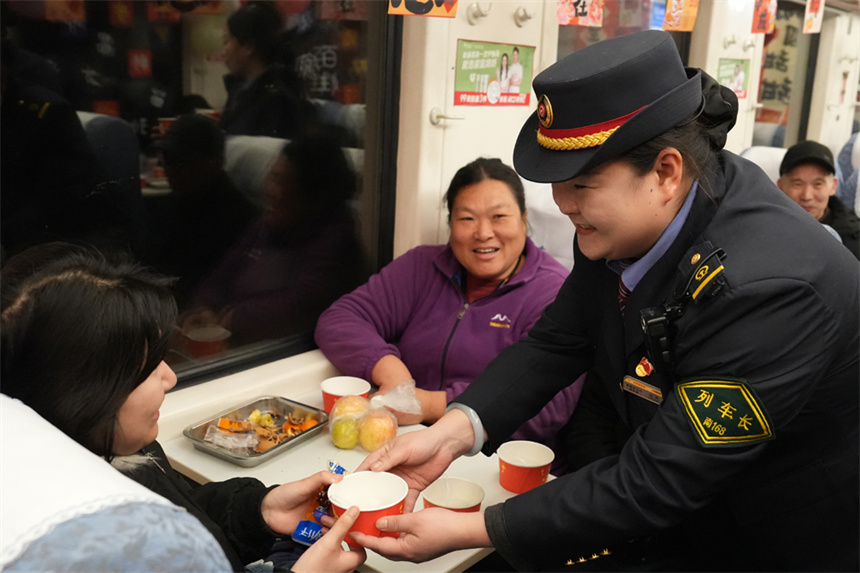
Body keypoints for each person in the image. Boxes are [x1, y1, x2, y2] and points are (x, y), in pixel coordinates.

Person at [348, 30, 859, 572]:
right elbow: (559, 339)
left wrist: (477, 530)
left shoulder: (770, 289)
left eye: (582, 185)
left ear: (665, 172)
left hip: (785, 532)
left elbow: (661, 476)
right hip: (684, 512)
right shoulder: (624, 222)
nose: (562, 205)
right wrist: (453, 433)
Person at [0, 242, 367, 573]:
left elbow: (185, 508)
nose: (170, 378)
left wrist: (261, 510)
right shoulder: (99, 544)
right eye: (147, 371)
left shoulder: (117, 443)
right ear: (85, 394)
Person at [314, 158, 582, 472]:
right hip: (410, 444)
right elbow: (340, 318)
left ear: (523, 220)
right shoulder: (422, 267)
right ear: (450, 224)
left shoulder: (555, 292)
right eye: (467, 218)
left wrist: (426, 405)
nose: (483, 233)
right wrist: (392, 373)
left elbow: (548, 407)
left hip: (497, 464)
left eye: (499, 216)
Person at [182, 132, 368, 346]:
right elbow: (223, 275)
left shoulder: (337, 239)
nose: (269, 190)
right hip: (232, 342)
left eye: (281, 181)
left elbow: (303, 304)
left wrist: (234, 318)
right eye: (272, 177)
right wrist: (204, 308)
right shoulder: (266, 226)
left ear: (315, 199)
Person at [144, 113, 259, 309]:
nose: (170, 168)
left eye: (182, 160)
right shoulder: (172, 203)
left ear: (215, 163)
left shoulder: (237, 218)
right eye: (168, 158)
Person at [218, 0, 315, 139]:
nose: (223, 51)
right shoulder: (239, 91)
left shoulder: (276, 101)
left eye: (227, 41)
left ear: (248, 47)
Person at [777, 139, 860, 259]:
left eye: (818, 184)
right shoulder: (763, 228)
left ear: (833, 186)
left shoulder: (853, 239)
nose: (807, 196)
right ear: (780, 186)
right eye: (797, 184)